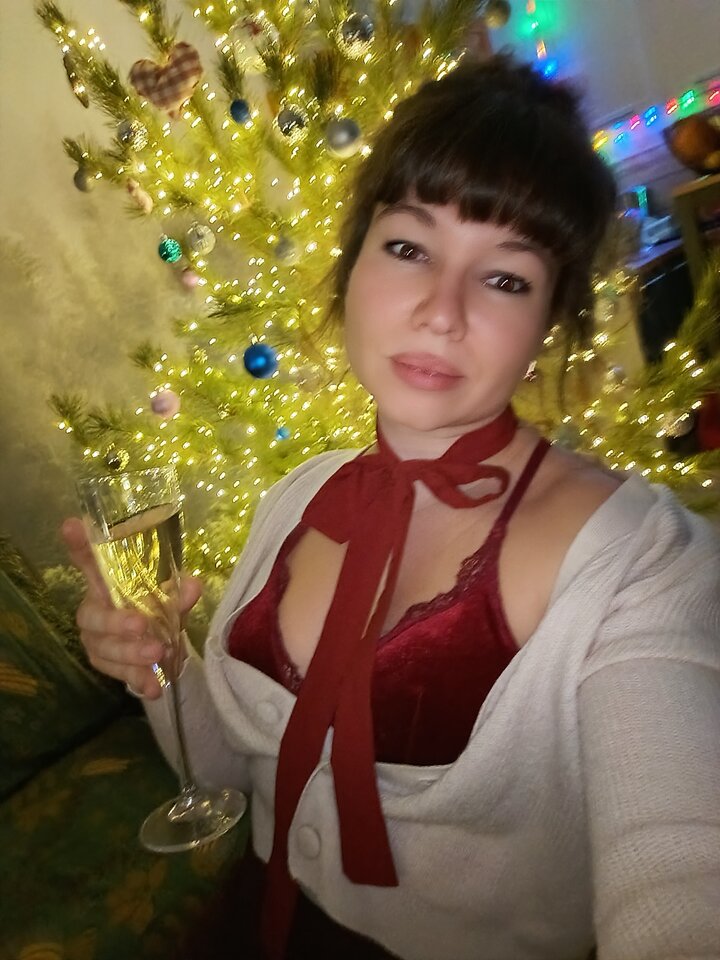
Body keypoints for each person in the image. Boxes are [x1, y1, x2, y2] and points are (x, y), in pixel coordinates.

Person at [62, 53, 720, 960]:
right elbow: (227, 775)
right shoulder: (295, 497)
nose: (441, 311)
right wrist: (162, 664)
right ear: (354, 263)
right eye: (409, 247)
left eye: (506, 278)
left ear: (549, 323)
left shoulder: (640, 562)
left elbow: (684, 869)